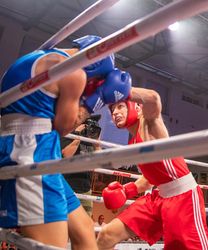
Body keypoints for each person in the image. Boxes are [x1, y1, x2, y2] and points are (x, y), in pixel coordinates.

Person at [0, 35, 131, 249]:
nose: (88, 86)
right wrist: (97, 98)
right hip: (32, 155)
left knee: (84, 230)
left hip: (28, 148)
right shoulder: (74, 73)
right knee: (54, 244)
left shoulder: (36, 57)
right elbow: (64, 127)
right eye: (94, 81)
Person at [97, 87, 208, 250]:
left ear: (136, 107)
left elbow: (153, 99)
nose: (115, 112)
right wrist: (127, 190)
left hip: (183, 199)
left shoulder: (148, 124)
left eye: (120, 106)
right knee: (106, 235)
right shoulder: (134, 142)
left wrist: (121, 89)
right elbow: (151, 178)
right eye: (112, 108)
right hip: (157, 199)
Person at [61, 115, 101, 216]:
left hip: (85, 190)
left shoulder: (90, 142)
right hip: (68, 187)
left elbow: (97, 165)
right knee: (65, 223)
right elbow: (66, 155)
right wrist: (77, 136)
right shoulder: (68, 135)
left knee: (87, 222)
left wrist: (97, 145)